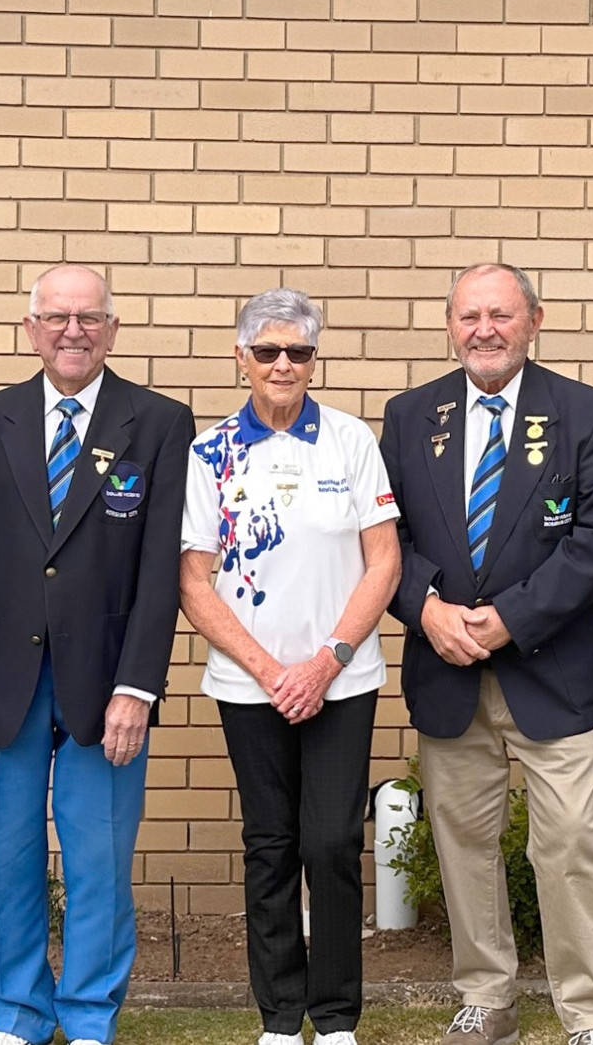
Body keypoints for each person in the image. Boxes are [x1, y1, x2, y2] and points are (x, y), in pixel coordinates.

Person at [0, 265, 193, 1045]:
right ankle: (14, 1015)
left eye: (89, 317)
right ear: (30, 327)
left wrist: (138, 684)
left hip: (106, 681)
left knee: (99, 860)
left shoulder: (159, 421)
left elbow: (157, 571)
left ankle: (88, 1016)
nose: (72, 331)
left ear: (113, 329)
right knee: (5, 856)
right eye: (56, 317)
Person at [378, 263, 593, 1045]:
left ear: (534, 319)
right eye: (469, 315)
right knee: (463, 843)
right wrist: (426, 607)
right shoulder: (411, 414)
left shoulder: (586, 413)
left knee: (571, 845)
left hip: (551, 668)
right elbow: (387, 538)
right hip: (447, 666)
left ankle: (588, 1011)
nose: (484, 328)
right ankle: (487, 997)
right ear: (449, 324)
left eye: (500, 313)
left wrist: (509, 618)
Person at [178, 288, 402, 1045]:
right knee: (270, 839)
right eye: (267, 350)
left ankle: (335, 1015)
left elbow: (384, 562)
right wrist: (272, 669)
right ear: (240, 357)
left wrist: (326, 660)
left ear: (314, 359)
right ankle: (279, 1014)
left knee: (332, 841)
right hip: (250, 684)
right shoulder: (210, 452)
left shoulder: (349, 441)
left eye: (298, 352)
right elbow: (193, 578)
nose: (283, 364)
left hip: (344, 678)